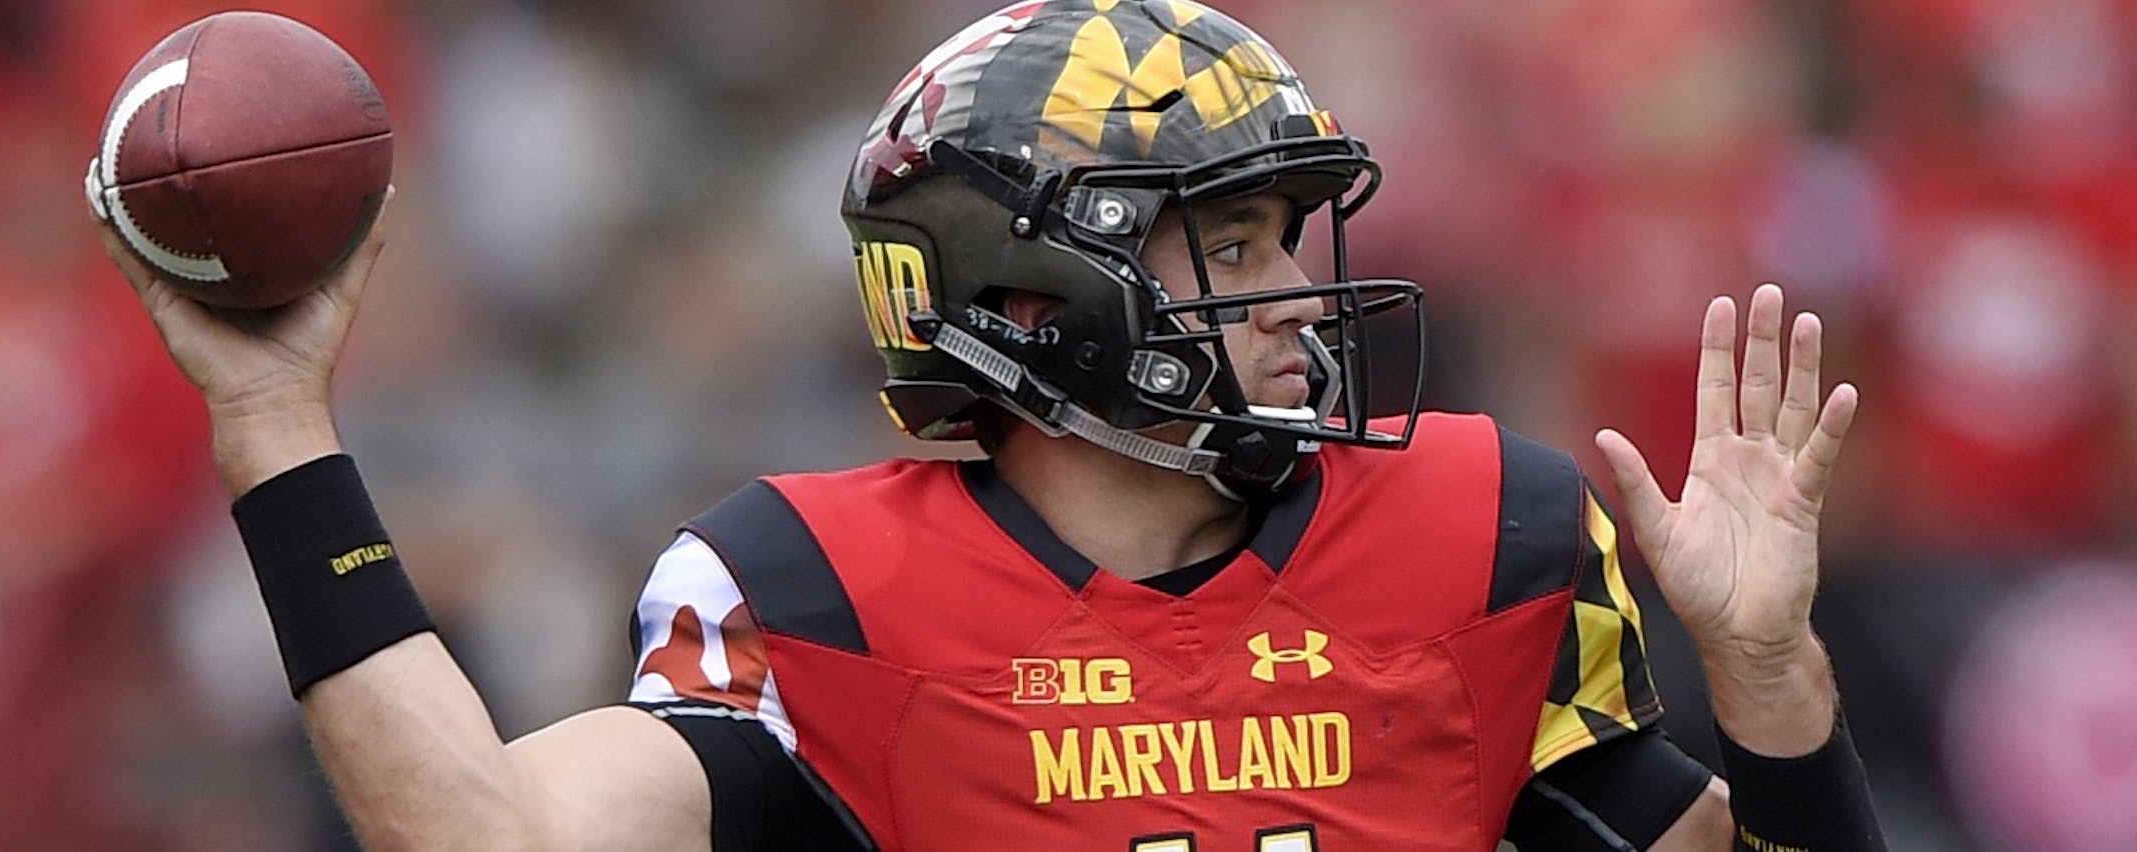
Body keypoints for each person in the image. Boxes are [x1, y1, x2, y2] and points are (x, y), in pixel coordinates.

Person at [97, 1, 1885, 849]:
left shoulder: (1484, 530)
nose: (1290, 296)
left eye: (1289, 236)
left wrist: (1776, 688)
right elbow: (478, 840)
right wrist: (270, 420)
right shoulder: (814, 586)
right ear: (1030, 292)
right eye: (1231, 242)